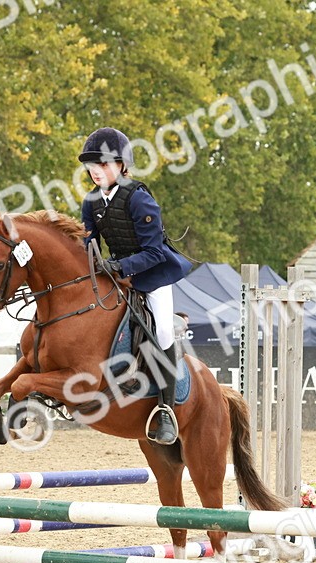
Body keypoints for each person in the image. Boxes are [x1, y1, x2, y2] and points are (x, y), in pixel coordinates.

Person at [79, 126, 191, 446]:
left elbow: (155, 253)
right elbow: (88, 244)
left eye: (103, 165)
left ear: (122, 166)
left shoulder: (139, 198)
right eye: (92, 166)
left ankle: (166, 409)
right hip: (115, 277)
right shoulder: (91, 202)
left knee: (164, 332)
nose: (96, 171)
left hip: (151, 276)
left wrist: (119, 267)